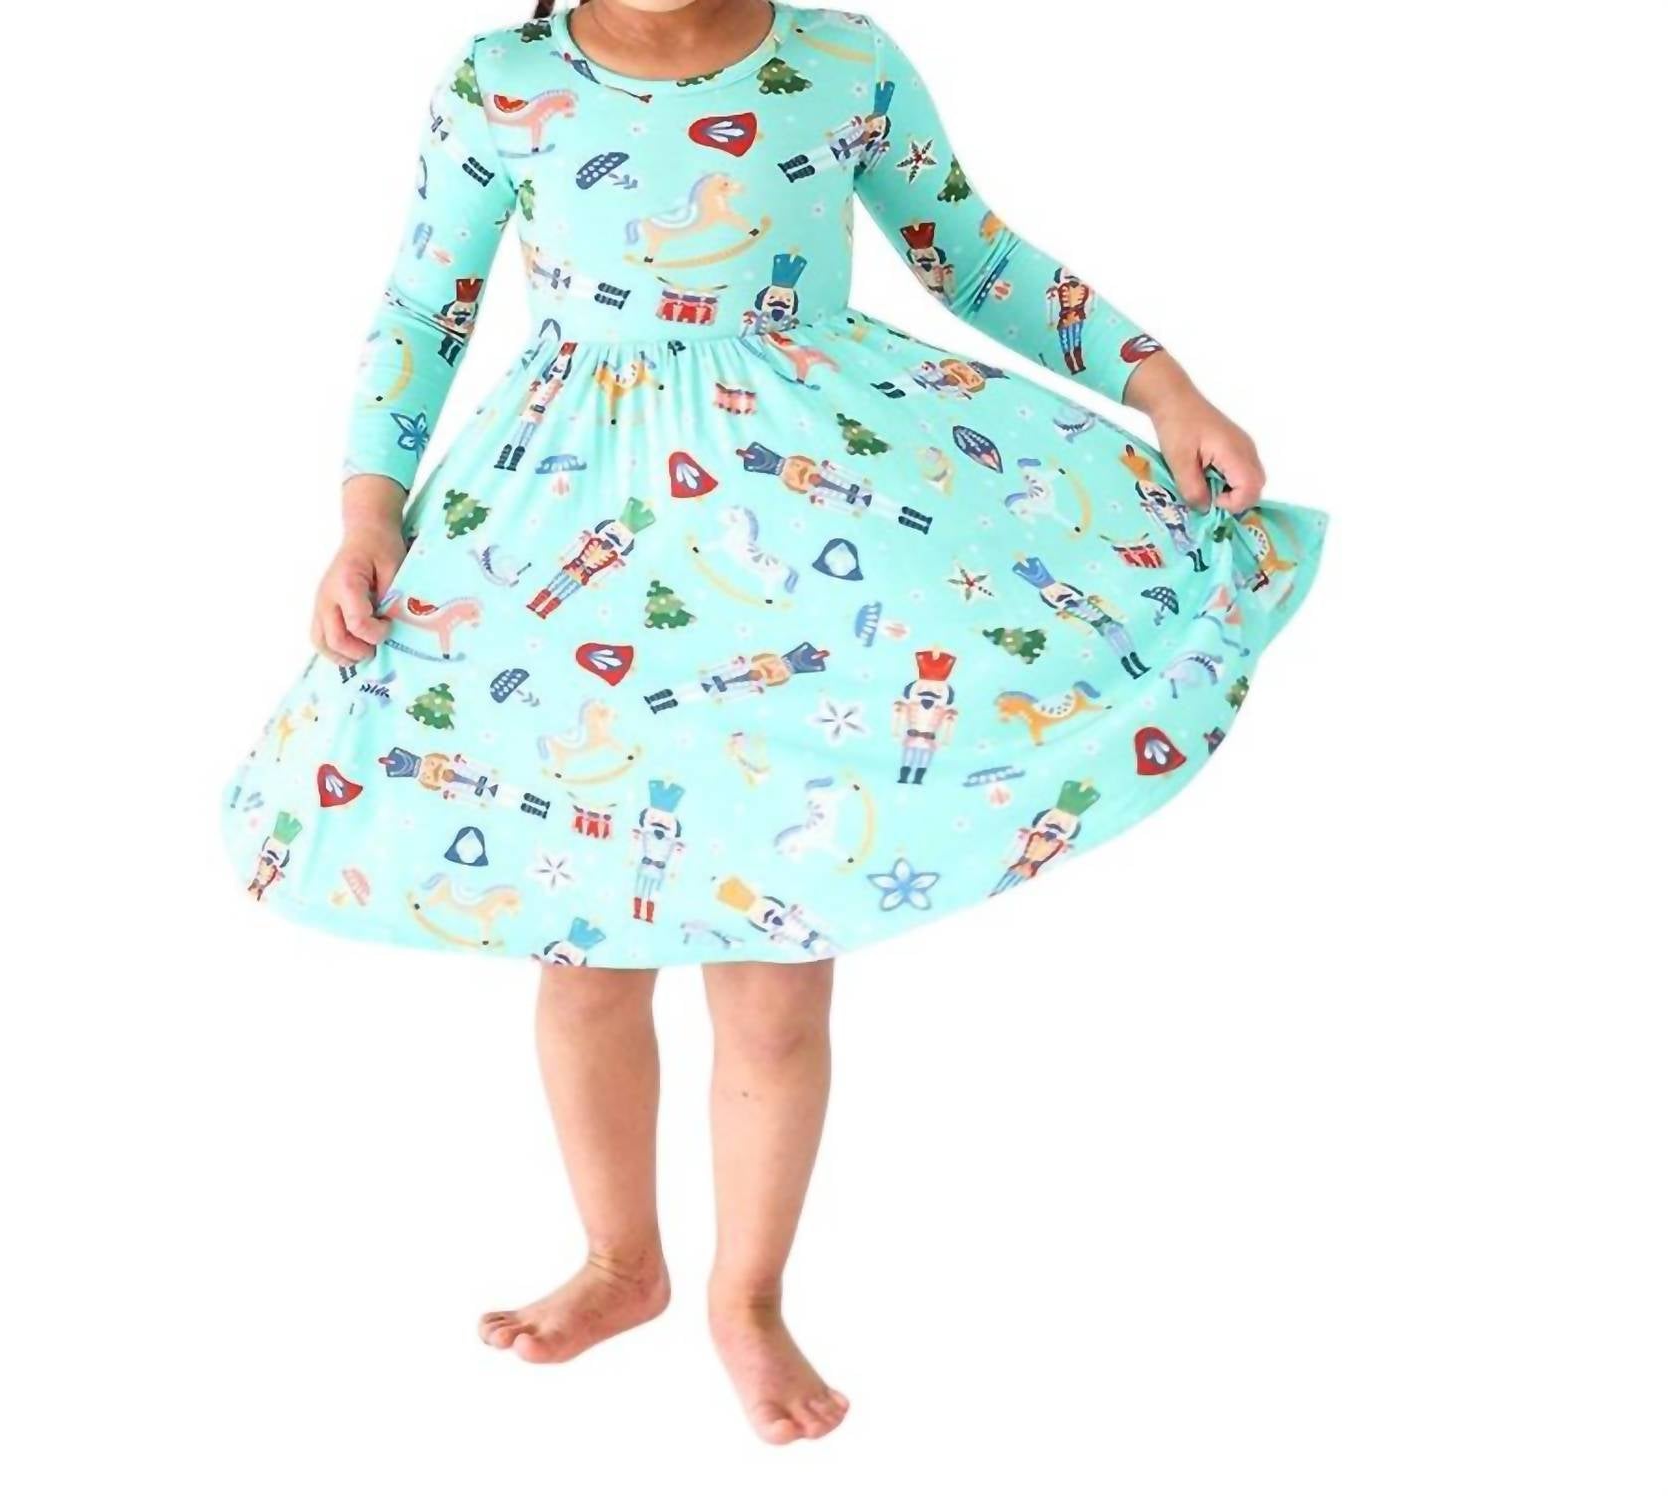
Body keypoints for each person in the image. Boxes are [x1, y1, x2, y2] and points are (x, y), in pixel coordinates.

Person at [221, 0, 1327, 1444]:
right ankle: (619, 1262)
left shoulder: (839, 61)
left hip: (805, 529)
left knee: (775, 961)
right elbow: (425, 309)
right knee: (583, 943)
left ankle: (746, 1297)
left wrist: (1161, 386)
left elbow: (971, 252)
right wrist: (367, 516)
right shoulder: (504, 81)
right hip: (567, 531)